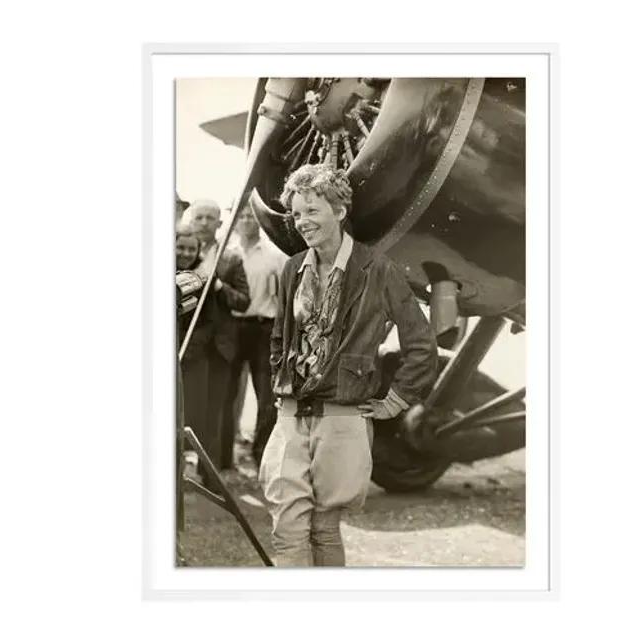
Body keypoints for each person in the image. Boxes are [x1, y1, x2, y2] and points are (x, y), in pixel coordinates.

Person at [259, 164, 438, 567]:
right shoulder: (293, 269)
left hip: (342, 418)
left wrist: (396, 400)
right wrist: (280, 385)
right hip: (291, 415)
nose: (302, 222)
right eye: (297, 213)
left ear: (339, 211)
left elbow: (420, 343)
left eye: (312, 211)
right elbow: (278, 338)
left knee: (324, 529)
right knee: (286, 530)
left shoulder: (378, 270)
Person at [176, 202, 250, 472]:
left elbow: (243, 301)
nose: (204, 223)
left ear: (220, 223)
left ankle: (214, 473)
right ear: (190, 220)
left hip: (218, 347)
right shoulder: (179, 253)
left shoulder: (230, 259)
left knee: (215, 413)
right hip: (189, 346)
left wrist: (219, 286)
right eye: (199, 217)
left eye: (211, 218)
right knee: (184, 411)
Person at [221, 206, 288, 468]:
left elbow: (285, 295)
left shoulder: (275, 256)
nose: (247, 220)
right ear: (234, 221)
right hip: (232, 328)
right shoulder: (226, 254)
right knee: (227, 395)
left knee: (267, 398)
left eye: (251, 215)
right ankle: (224, 459)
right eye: (242, 216)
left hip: (264, 329)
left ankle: (263, 458)